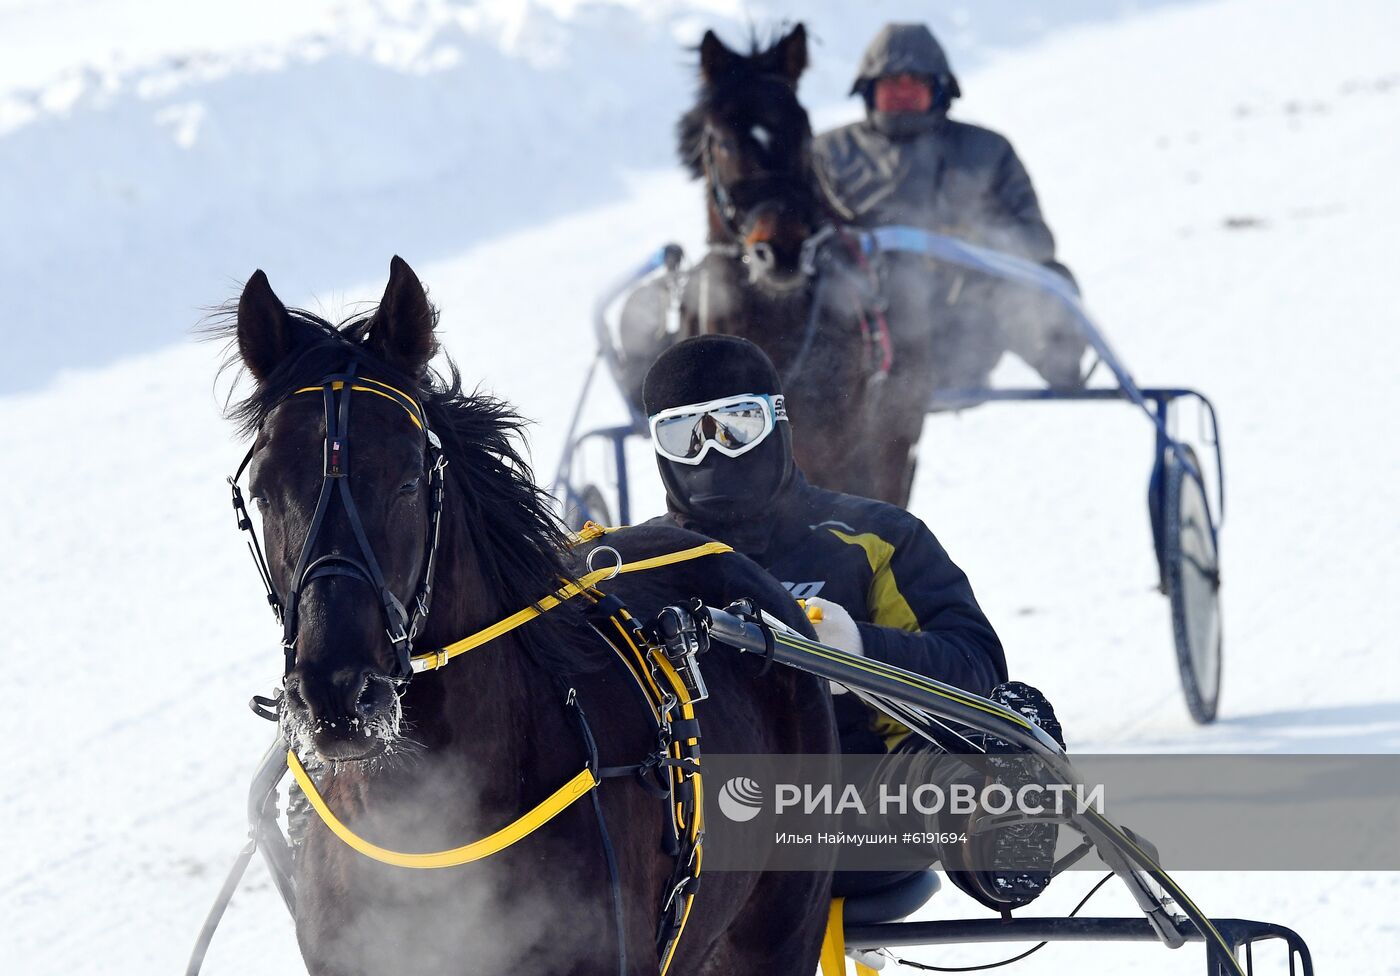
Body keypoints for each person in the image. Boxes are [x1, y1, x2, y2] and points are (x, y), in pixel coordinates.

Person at [642, 334, 1065, 910]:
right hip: (692, 825)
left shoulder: (873, 539)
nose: (713, 452)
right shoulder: (641, 566)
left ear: (778, 421)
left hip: (853, 809)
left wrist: (859, 650)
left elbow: (977, 669)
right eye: (684, 435)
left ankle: (996, 823)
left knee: (942, 771)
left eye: (737, 424)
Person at [814, 23, 1086, 390]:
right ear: (869, 90)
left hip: (961, 324)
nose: (903, 94)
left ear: (939, 90)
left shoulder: (986, 152)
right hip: (859, 325)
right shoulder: (829, 155)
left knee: (1047, 280)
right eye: (892, 84)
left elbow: (1036, 238)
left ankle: (1061, 369)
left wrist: (979, 243)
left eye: (915, 84)